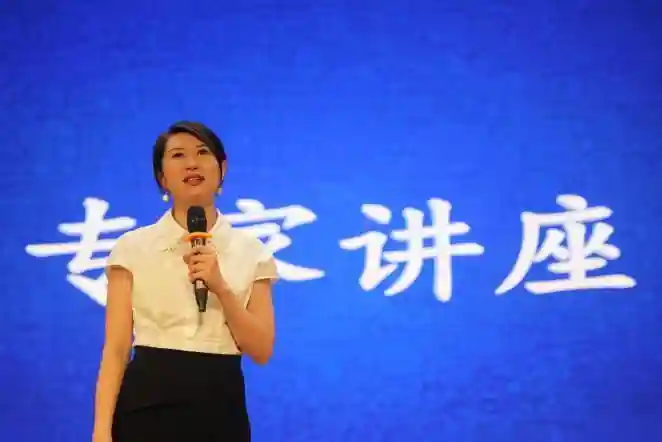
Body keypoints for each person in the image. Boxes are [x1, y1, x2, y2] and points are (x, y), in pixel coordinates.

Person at [91, 121, 278, 441]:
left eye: (202, 153)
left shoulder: (252, 252)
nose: (192, 163)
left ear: (222, 169)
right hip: (146, 406)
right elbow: (116, 349)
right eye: (178, 155)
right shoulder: (132, 248)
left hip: (220, 410)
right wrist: (101, 431)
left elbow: (261, 350)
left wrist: (221, 288)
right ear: (162, 178)